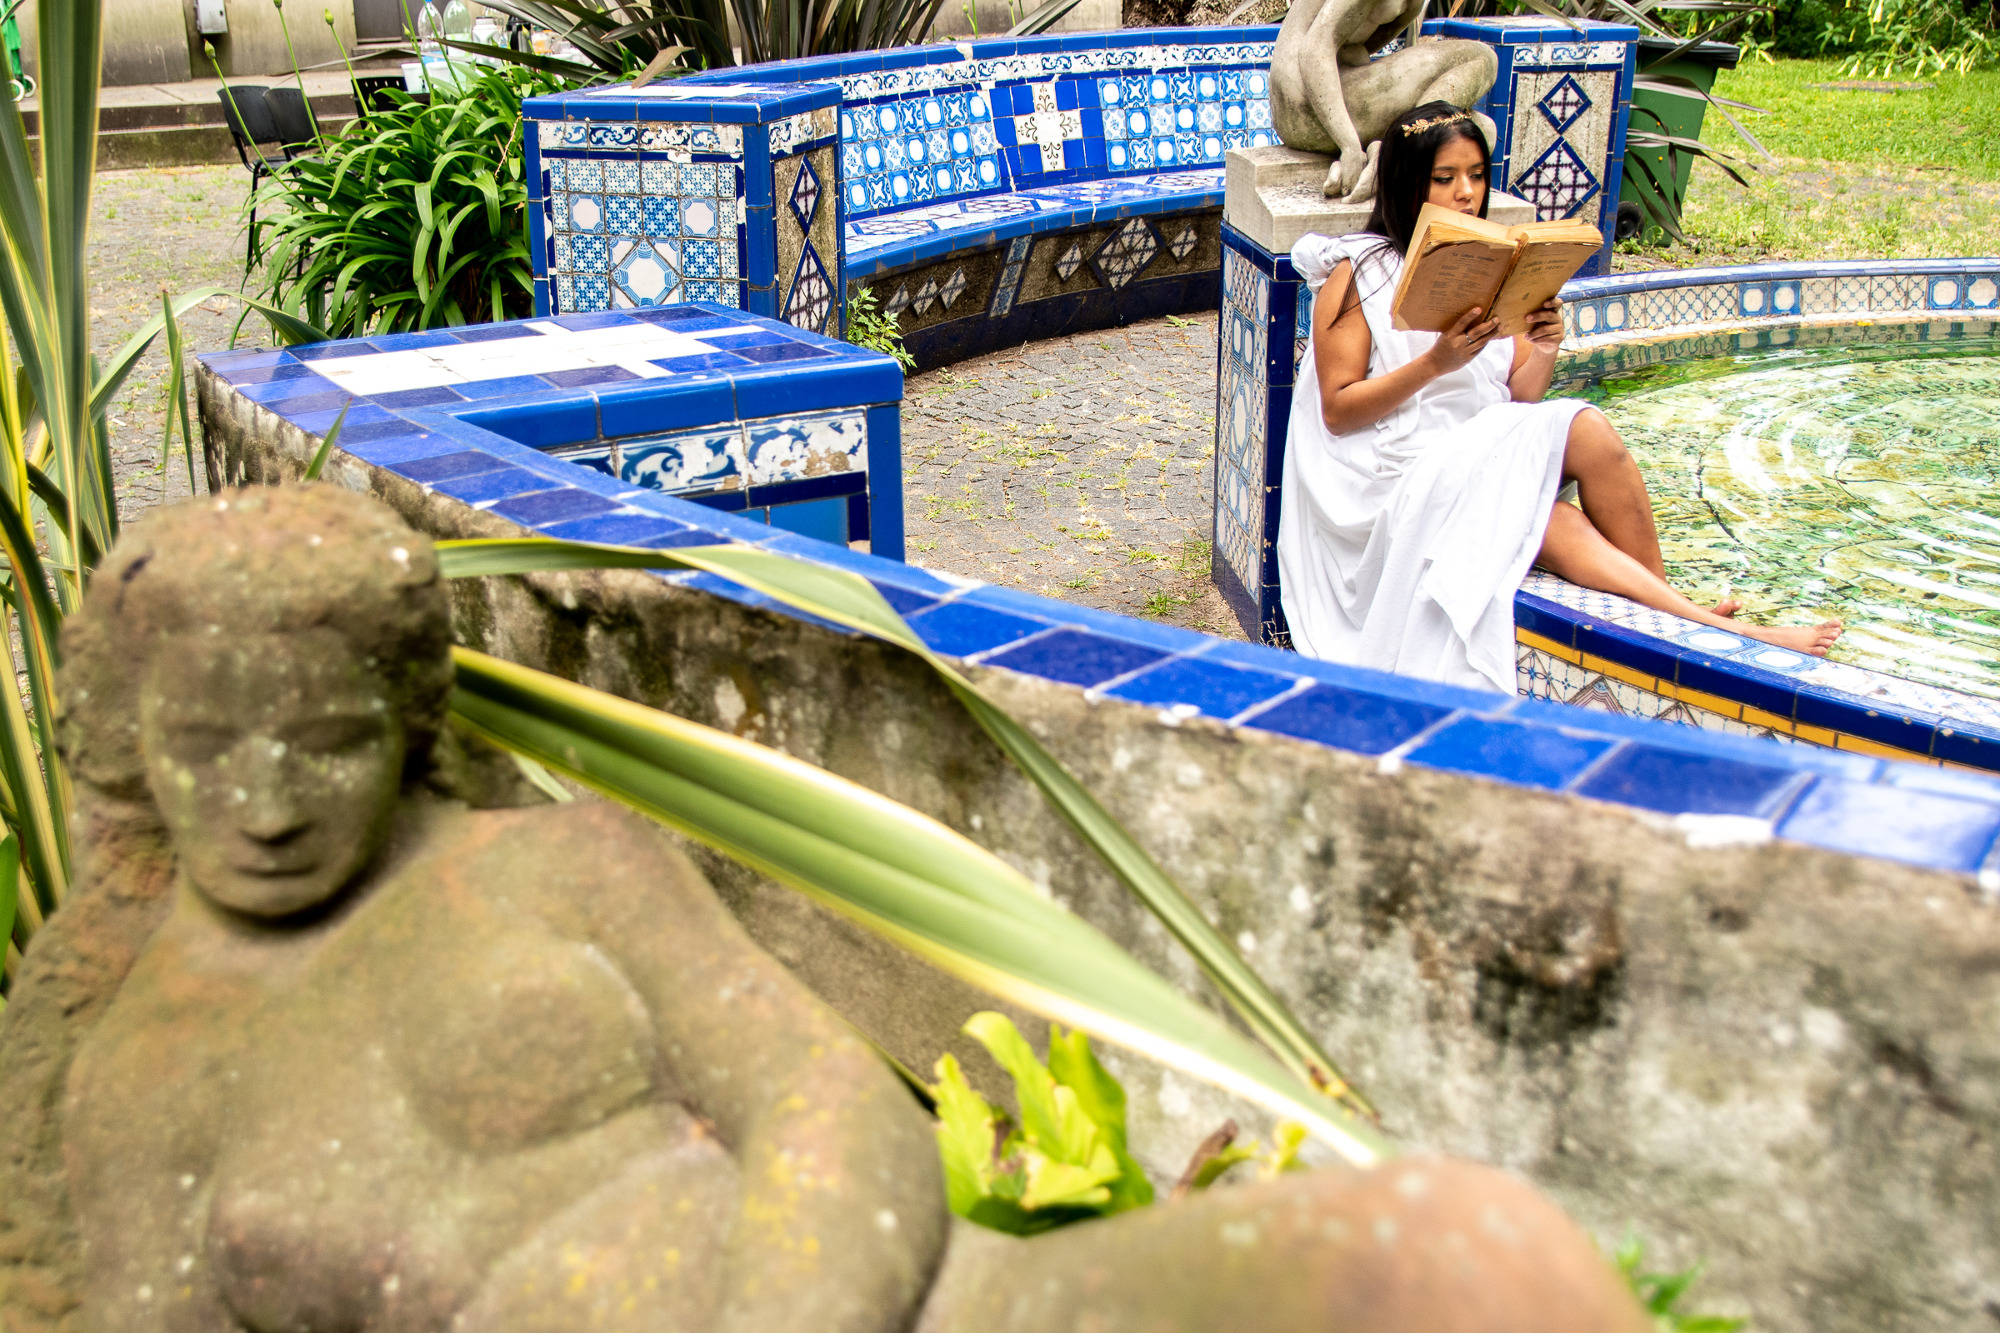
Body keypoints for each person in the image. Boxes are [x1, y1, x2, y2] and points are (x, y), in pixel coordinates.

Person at [0, 485, 1652, 1332]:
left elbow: (820, 1095)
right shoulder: (137, 1081)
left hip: (885, 1300)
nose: (273, 797)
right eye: (210, 748)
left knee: (1475, 1259)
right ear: (135, 745)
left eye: (332, 734)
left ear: (406, 713)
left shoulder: (551, 865)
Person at [1276, 101, 1842, 694]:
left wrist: (1544, 345)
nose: (1466, 192)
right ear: (1406, 182)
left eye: (1475, 174)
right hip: (1390, 480)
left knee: (1573, 466)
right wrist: (1436, 362)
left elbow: (1517, 402)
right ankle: (1707, 627)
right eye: (1444, 178)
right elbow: (1338, 412)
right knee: (1560, 486)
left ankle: (1679, 622)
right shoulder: (1358, 273)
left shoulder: (1490, 262)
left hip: (1469, 454)